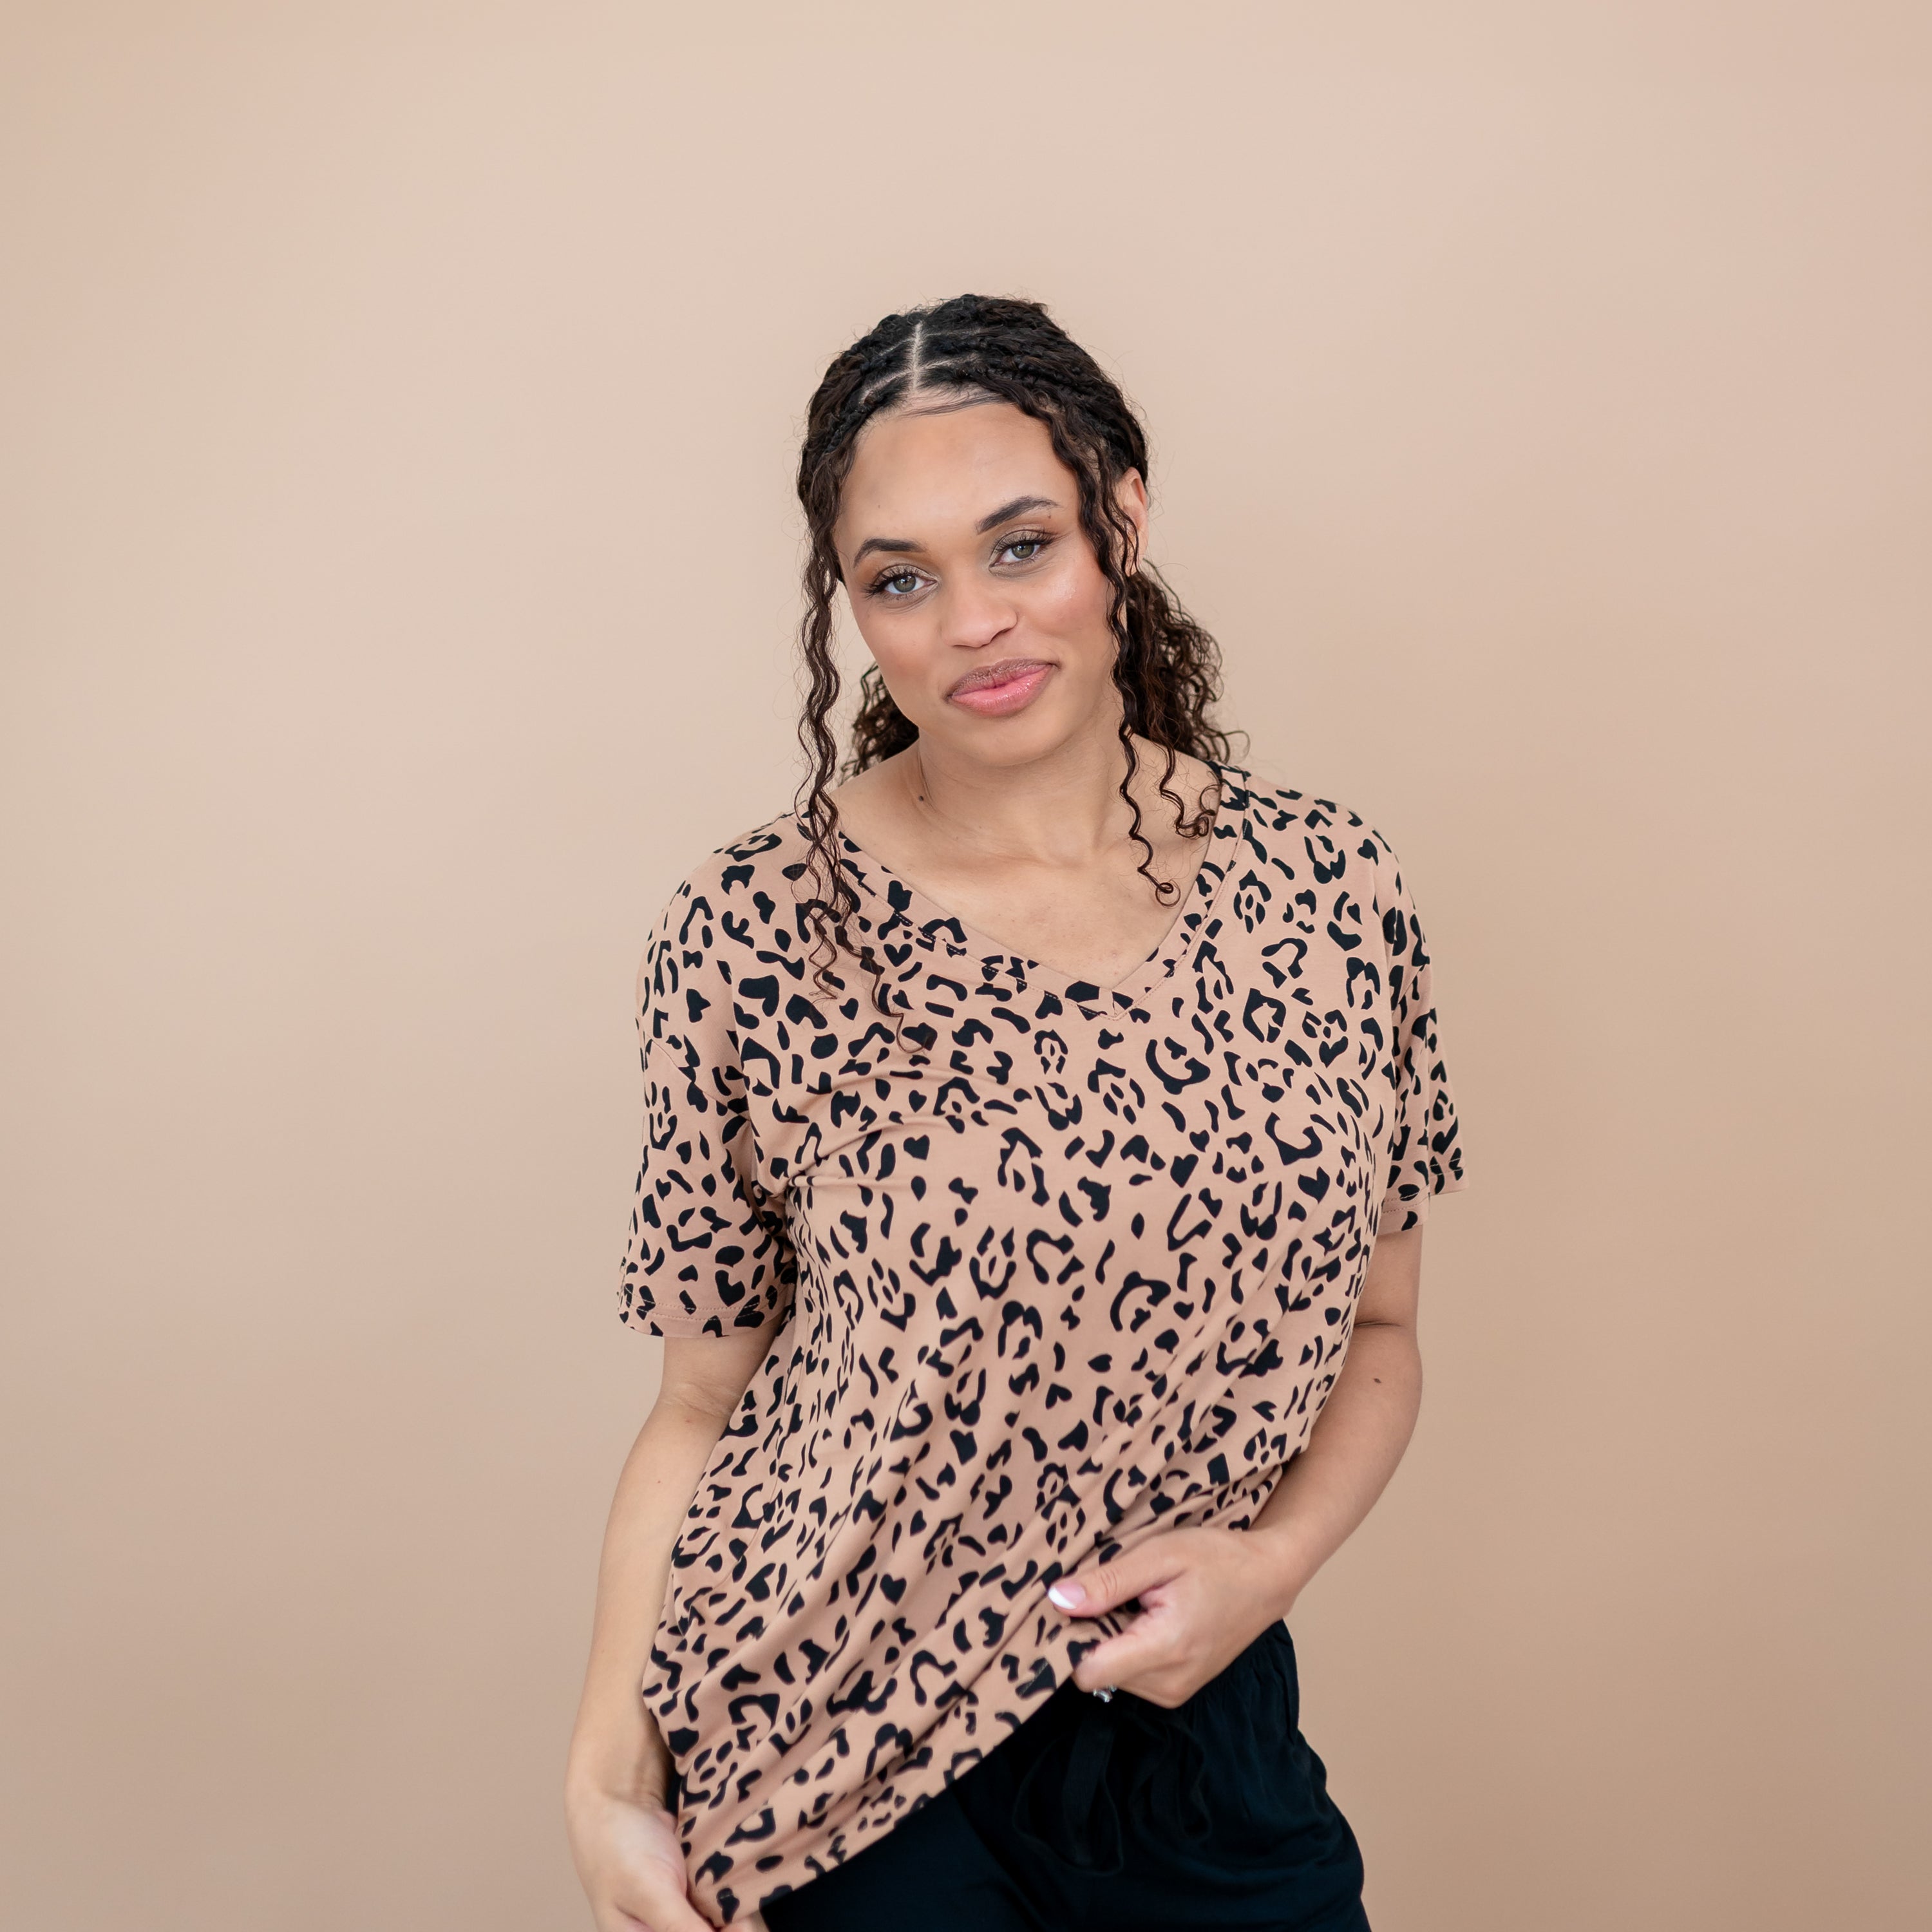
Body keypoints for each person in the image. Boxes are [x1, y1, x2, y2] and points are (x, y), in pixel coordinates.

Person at [564, 294, 1467, 1932]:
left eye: (1021, 545)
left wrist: (1269, 1568)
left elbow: (1385, 1326)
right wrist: (609, 1775)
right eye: (900, 579)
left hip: (1199, 1736)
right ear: (852, 607)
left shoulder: (1331, 888)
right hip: (830, 1756)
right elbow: (700, 1402)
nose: (973, 621)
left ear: (1125, 518)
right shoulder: (757, 926)